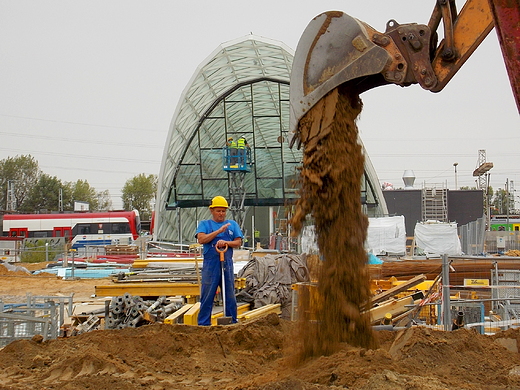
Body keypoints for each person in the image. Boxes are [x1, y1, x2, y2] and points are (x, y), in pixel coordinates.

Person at [195, 195, 243, 325]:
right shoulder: (205, 224)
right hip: (211, 264)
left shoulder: (232, 225)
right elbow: (201, 239)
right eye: (218, 211)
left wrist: (226, 242)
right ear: (212, 211)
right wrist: (219, 231)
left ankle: (231, 321)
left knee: (229, 294)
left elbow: (238, 242)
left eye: (223, 211)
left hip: (226, 263)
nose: (221, 214)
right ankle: (204, 324)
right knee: (207, 294)